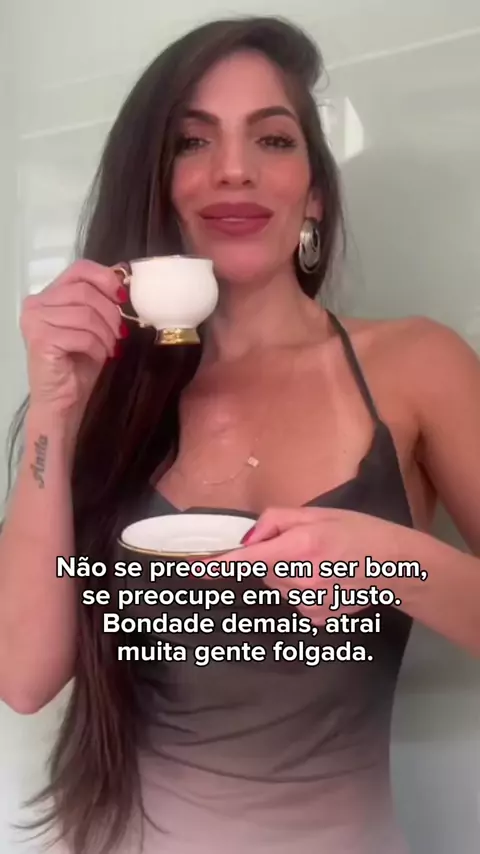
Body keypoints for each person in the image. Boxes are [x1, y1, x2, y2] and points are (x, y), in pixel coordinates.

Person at [0, 15, 479, 854]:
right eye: (193, 141)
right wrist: (52, 409)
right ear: (159, 186)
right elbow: (24, 678)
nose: (233, 169)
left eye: (273, 138)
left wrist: (393, 562)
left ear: (314, 192)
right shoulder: (107, 394)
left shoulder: (418, 364)